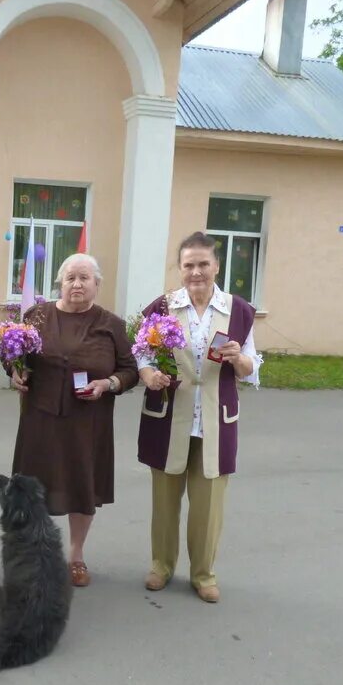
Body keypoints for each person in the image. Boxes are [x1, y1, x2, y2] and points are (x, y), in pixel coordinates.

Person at [135, 232, 262, 603]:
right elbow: (142, 353)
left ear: (216, 266)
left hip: (215, 420)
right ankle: (161, 565)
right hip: (168, 415)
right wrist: (147, 373)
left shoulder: (238, 310)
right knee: (164, 501)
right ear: (179, 268)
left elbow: (252, 367)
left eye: (203, 264)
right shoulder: (161, 307)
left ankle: (204, 574)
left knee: (208, 507)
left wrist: (239, 359)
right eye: (188, 265)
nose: (196, 272)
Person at [8, 253, 138, 586]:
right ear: (60, 283)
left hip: (87, 423)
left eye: (84, 278)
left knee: (81, 486)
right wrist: (15, 371)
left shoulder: (112, 325)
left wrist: (108, 384)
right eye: (70, 278)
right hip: (40, 418)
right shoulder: (37, 315)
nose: (76, 284)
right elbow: (13, 351)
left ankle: (76, 556)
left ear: (97, 284)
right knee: (33, 488)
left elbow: (130, 370)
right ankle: (32, 555)